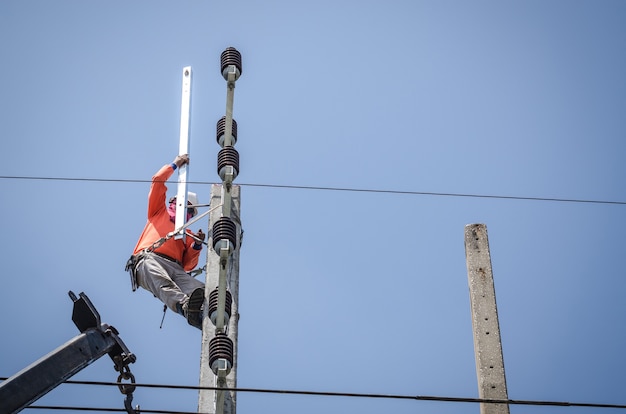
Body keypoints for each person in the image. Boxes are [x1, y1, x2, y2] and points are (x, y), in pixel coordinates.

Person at [126, 154, 206, 329]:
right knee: (163, 284)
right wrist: (174, 165)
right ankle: (185, 308)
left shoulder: (187, 233)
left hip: (176, 268)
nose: (187, 213)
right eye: (185, 207)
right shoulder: (158, 212)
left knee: (202, 291)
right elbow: (157, 181)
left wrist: (197, 245)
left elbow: (188, 265)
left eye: (190, 211)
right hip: (149, 259)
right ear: (174, 202)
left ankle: (213, 313)